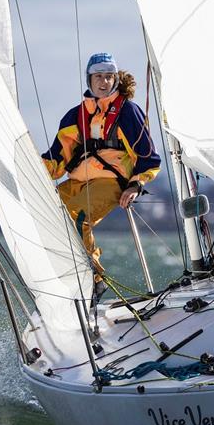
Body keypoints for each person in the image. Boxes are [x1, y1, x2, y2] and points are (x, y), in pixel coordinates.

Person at [41, 53, 160, 300]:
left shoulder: (128, 112)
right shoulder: (75, 116)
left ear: (116, 79)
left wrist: (136, 185)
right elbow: (56, 159)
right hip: (76, 181)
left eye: (109, 77)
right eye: (98, 77)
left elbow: (149, 157)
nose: (104, 82)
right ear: (89, 80)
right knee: (42, 213)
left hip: (110, 182)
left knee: (75, 217)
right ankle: (57, 285)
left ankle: (94, 280)